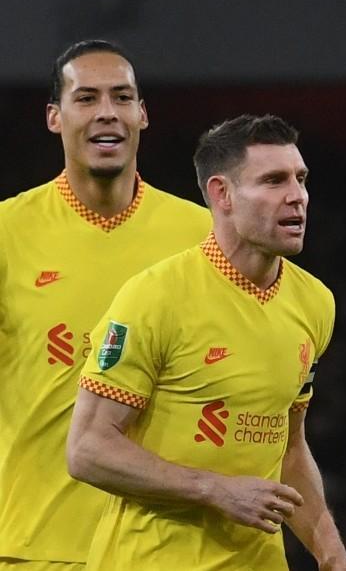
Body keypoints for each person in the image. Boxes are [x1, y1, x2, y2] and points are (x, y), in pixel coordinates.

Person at [65, 115, 346, 571]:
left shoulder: (315, 302)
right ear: (222, 194)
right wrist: (214, 489)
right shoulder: (155, 297)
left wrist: (331, 553)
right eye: (273, 180)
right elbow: (87, 450)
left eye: (300, 179)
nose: (297, 196)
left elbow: (290, 448)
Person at [0, 40, 211, 570]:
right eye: (86, 98)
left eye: (121, 97)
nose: (106, 113)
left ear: (142, 114)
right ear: (55, 117)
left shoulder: (203, 235)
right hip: (37, 545)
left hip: (166, 547)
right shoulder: (7, 233)